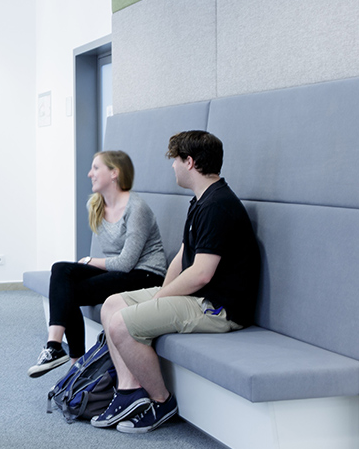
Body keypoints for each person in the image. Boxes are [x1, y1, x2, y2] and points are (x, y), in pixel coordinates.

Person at [91, 130, 260, 433]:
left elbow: (201, 273)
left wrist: (162, 299)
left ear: (190, 162)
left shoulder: (218, 206)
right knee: (111, 305)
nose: (172, 166)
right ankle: (130, 392)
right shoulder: (200, 201)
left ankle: (161, 400)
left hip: (218, 308)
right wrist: (161, 293)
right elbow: (182, 258)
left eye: (176, 160)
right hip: (195, 296)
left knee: (121, 324)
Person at [28, 151, 167, 378]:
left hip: (146, 274)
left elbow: (126, 262)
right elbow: (116, 263)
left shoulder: (136, 208)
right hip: (120, 271)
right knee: (61, 270)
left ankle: (75, 364)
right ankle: (54, 347)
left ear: (114, 173)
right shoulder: (97, 206)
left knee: (69, 289)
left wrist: (89, 261)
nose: (89, 173)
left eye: (95, 168)